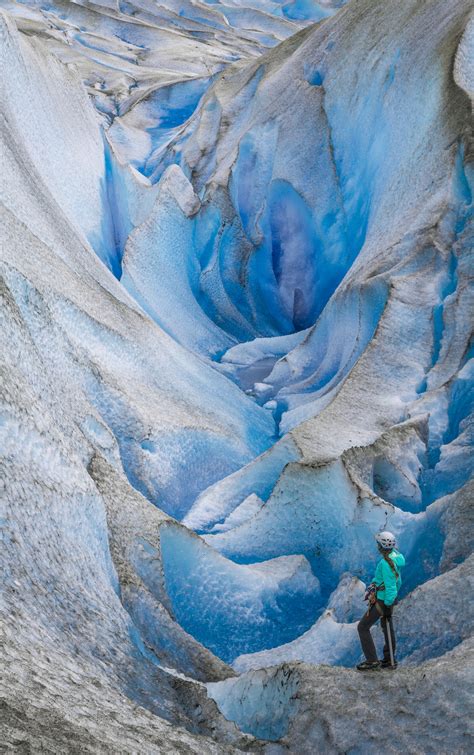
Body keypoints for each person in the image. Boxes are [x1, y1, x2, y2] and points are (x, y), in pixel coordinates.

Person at [356, 531, 405, 671]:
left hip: (384, 601)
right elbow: (391, 582)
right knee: (387, 627)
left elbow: (391, 587)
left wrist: (388, 604)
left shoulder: (386, 563)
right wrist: (374, 584)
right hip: (386, 599)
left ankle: (372, 661)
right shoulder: (395, 556)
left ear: (380, 546)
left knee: (362, 627)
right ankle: (389, 660)